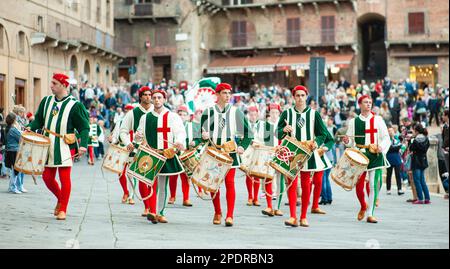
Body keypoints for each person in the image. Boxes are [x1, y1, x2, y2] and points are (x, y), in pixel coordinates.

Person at [28, 73, 89, 220]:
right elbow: (38, 121)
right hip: (47, 143)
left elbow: (84, 127)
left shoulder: (75, 105)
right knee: (47, 178)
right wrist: (30, 127)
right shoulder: (46, 101)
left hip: (64, 144)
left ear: (63, 85)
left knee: (64, 177)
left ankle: (63, 209)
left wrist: (84, 145)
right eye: (51, 82)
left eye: (54, 83)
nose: (51, 86)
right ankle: (61, 199)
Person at [277, 85, 333, 228]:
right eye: (298, 95)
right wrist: (283, 129)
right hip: (291, 151)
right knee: (292, 183)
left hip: (308, 151)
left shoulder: (314, 114)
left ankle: (303, 216)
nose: (300, 98)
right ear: (293, 97)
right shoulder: (287, 113)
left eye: (303, 95)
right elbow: (277, 133)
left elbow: (323, 134)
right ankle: (292, 216)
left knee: (307, 184)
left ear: (306, 97)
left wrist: (316, 142)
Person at [197, 82, 253, 227]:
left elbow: (248, 133)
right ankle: (217, 211)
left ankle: (230, 215)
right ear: (217, 95)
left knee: (230, 183)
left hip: (230, 152)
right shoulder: (208, 112)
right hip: (213, 152)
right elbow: (200, 134)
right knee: (213, 184)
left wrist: (242, 146)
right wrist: (201, 136)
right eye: (224, 93)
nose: (227, 96)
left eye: (229, 93)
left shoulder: (236, 112)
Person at [134, 88, 186, 224]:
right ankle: (152, 210)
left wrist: (179, 143)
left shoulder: (173, 116)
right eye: (155, 97)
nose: (157, 100)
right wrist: (137, 136)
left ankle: (160, 212)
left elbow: (180, 132)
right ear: (152, 99)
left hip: (166, 154)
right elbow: (139, 134)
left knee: (163, 185)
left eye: (159, 98)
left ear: (164, 99)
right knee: (151, 183)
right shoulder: (145, 117)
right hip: (150, 154)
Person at [343, 95, 391, 224]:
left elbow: (386, 137)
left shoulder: (378, 119)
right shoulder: (354, 121)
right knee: (359, 187)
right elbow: (350, 140)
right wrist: (347, 141)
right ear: (360, 104)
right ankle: (363, 205)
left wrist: (381, 147)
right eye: (366, 102)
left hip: (375, 155)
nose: (368, 104)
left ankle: (370, 213)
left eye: (370, 102)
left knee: (373, 184)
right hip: (360, 155)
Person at [119, 86, 154, 217]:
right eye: (145, 94)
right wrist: (128, 143)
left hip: (155, 149)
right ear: (140, 96)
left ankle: (154, 207)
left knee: (153, 180)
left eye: (150, 94)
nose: (148, 97)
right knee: (142, 178)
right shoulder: (132, 113)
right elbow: (123, 131)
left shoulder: (157, 111)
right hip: (138, 150)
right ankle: (147, 207)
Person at [168, 105, 196, 207]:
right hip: (174, 153)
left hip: (186, 154)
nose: (182, 116)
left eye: (184, 115)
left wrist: (194, 142)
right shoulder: (172, 125)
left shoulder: (192, 126)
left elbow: (198, 139)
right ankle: (172, 196)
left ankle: (186, 198)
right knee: (173, 176)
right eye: (180, 114)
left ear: (188, 117)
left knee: (185, 177)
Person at [108, 104, 136, 205]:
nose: (128, 112)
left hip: (134, 151)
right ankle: (125, 192)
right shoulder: (119, 123)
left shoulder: (137, 123)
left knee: (131, 174)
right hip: (122, 150)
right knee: (120, 173)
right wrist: (112, 140)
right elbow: (115, 137)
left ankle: (131, 196)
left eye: (130, 111)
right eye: (127, 110)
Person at [409, 123, 431, 204]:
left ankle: (420, 198)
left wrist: (411, 140)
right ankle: (427, 198)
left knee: (417, 180)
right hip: (423, 160)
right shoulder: (426, 139)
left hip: (416, 161)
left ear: (416, 131)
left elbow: (411, 148)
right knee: (422, 180)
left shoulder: (415, 140)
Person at [4, 113, 23, 194]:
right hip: (14, 151)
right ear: (14, 120)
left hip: (9, 150)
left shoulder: (7, 128)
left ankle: (12, 187)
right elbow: (20, 138)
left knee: (13, 169)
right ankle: (12, 187)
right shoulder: (13, 129)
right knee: (15, 170)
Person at [386, 127, 404, 195]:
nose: (390, 132)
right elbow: (388, 148)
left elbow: (400, 146)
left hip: (397, 159)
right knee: (389, 174)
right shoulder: (386, 139)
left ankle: (399, 189)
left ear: (394, 131)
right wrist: (394, 148)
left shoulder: (397, 138)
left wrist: (393, 148)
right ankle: (388, 189)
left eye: (391, 131)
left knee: (398, 174)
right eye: (389, 131)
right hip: (389, 158)